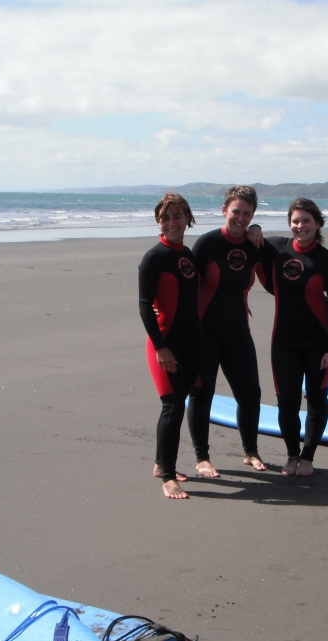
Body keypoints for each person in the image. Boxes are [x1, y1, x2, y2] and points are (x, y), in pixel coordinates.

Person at [248, 199, 328, 476]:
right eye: (295, 221)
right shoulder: (278, 246)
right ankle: (292, 455)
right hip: (284, 342)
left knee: (317, 400)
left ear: (317, 224)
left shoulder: (326, 260)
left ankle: (308, 458)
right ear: (289, 222)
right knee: (286, 401)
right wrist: (255, 224)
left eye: (306, 221)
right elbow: (251, 237)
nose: (300, 226)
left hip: (319, 342)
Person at [186, 186, 269, 477]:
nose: (241, 218)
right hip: (203, 333)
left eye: (248, 214)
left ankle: (250, 451)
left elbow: (282, 266)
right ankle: (202, 458)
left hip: (237, 333)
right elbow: (184, 282)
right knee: (201, 394)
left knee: (250, 394)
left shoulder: (254, 245)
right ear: (224, 210)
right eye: (236, 211)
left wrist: (258, 230)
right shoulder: (207, 243)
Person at [139, 193, 203, 499]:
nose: (172, 222)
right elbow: (143, 305)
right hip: (163, 345)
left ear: (187, 219)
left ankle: (159, 463)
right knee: (172, 406)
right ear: (158, 222)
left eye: (177, 216)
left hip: (192, 344)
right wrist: (161, 347)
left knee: (180, 403)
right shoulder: (154, 257)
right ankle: (168, 476)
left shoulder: (187, 254)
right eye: (166, 217)